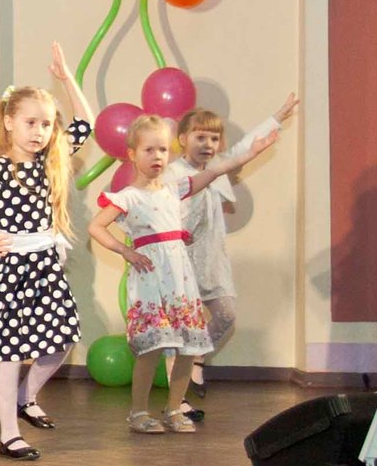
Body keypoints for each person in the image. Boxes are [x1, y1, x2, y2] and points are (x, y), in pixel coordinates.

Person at [0, 43, 95, 462]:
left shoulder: (51, 159)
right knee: (10, 354)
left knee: (61, 340)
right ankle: (8, 434)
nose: (39, 131)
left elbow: (86, 123)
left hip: (45, 263)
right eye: (31, 122)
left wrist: (66, 79)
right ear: (9, 123)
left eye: (46, 124)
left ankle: (28, 397)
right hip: (10, 267)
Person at [90, 114, 277, 434]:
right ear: (133, 154)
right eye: (149, 150)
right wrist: (125, 250)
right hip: (151, 280)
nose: (157, 156)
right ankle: (138, 412)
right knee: (151, 350)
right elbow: (96, 226)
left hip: (179, 279)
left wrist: (250, 153)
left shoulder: (174, 189)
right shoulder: (128, 197)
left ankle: (174, 408)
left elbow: (215, 170)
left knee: (189, 346)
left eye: (163, 150)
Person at [166, 95, 296, 416]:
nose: (208, 144)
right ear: (183, 139)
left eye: (214, 138)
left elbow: (245, 147)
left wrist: (277, 116)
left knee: (226, 316)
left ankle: (198, 358)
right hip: (181, 261)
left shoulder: (219, 166)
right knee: (181, 331)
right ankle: (177, 402)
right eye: (200, 137)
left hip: (212, 259)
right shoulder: (174, 172)